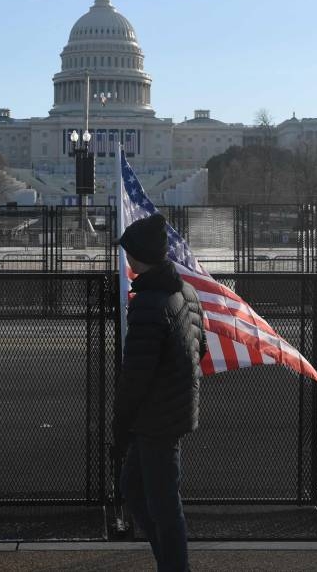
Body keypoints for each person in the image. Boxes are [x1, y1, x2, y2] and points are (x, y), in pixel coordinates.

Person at [112, 213, 207, 572]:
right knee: (136, 489)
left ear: (139, 256)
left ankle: (173, 565)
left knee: (163, 505)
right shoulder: (185, 291)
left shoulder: (149, 304)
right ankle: (168, 561)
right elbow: (201, 349)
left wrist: (119, 427)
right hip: (171, 410)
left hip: (155, 419)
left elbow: (135, 377)